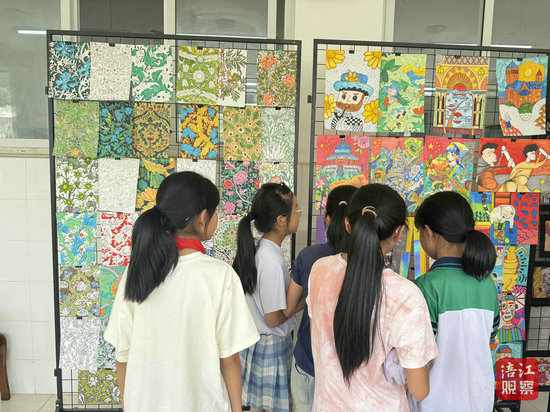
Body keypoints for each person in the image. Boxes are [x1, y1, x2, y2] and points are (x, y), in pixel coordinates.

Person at [105, 172, 259, 412]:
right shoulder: (220, 276)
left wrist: (128, 406)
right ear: (203, 217)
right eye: (216, 211)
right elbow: (229, 359)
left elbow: (122, 354)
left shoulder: (136, 271)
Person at [308, 184, 438, 411]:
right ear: (399, 232)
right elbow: (420, 390)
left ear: (348, 225)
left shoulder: (320, 270)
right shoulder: (405, 296)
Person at [413, 191, 500, 412]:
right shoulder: (487, 284)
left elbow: (416, 353)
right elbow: (490, 337)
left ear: (428, 232)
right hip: (479, 400)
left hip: (435, 402)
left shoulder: (426, 285)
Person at [285, 185, 357, 412]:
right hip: (351, 371)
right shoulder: (369, 261)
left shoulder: (309, 257)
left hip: (309, 362)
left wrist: (311, 298)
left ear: (326, 218)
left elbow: (288, 308)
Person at [233, 183, 301, 412]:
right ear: (281, 220)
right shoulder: (270, 261)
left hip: (259, 343)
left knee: (258, 406)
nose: (299, 215)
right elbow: (273, 318)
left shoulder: (262, 251)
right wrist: (300, 302)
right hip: (271, 348)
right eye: (296, 210)